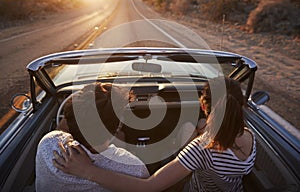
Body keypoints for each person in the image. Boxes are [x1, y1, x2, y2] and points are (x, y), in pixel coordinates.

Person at [53, 77, 256, 192]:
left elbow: (149, 187)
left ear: (203, 105)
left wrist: (88, 171)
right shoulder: (250, 136)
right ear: (241, 106)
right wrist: (204, 127)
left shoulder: (201, 149)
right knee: (190, 128)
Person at [35, 83, 149, 192]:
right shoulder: (134, 169)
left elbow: (61, 130)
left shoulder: (48, 144)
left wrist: (80, 108)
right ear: (118, 126)